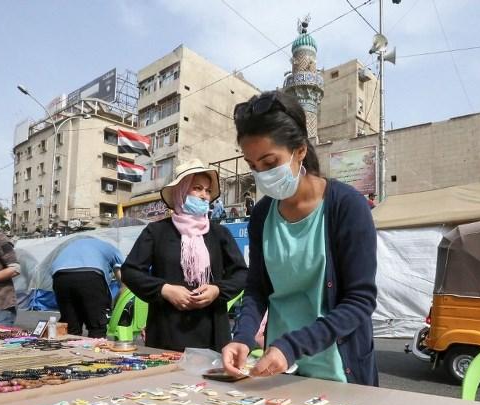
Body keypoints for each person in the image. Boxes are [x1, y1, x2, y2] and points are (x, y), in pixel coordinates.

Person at [222, 90, 378, 386]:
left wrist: (293, 346)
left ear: (301, 151)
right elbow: (257, 289)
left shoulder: (347, 207)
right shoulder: (262, 215)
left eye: (270, 163)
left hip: (338, 370)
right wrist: (242, 337)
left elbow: (360, 301)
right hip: (277, 369)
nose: (262, 175)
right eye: (253, 166)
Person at [122, 159, 248, 352]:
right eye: (197, 188)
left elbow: (241, 274)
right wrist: (164, 289)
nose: (204, 196)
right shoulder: (157, 232)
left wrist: (217, 290)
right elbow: (130, 271)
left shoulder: (219, 233)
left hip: (212, 333)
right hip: (167, 331)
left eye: (207, 191)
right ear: (180, 190)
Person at [50, 237, 124, 338]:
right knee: (97, 325)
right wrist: (115, 304)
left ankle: (69, 352)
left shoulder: (72, 246)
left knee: (71, 325)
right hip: (90, 275)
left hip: (60, 276)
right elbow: (123, 284)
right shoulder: (111, 249)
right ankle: (95, 351)